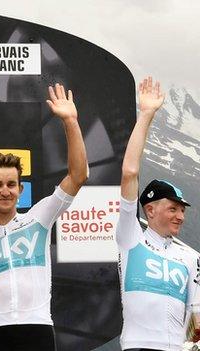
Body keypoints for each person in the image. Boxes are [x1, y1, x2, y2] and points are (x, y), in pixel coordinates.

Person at [0, 83, 88, 351]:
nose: (5, 191)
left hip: (39, 333)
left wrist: (70, 121)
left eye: (11, 184)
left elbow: (78, 175)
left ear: (21, 189)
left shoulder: (39, 218)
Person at [117, 76, 200, 351]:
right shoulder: (131, 240)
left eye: (182, 211)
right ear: (150, 209)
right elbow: (130, 173)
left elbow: (196, 315)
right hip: (138, 346)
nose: (180, 216)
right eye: (173, 208)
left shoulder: (190, 257)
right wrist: (147, 115)